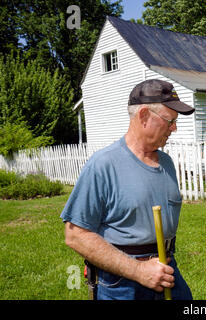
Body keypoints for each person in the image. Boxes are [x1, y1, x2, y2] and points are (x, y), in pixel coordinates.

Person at [61, 79, 195, 300]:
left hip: (167, 270)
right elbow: (75, 235)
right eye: (169, 121)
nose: (175, 128)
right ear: (143, 116)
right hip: (121, 283)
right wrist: (139, 271)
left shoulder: (167, 163)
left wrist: (156, 269)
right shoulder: (103, 164)